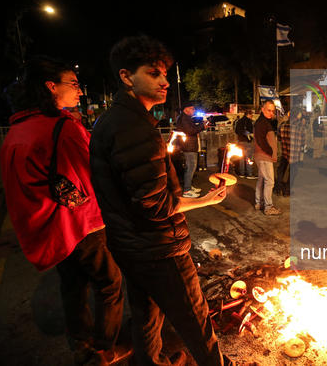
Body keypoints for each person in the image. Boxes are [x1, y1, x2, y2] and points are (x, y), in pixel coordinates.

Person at [90, 36, 241, 366]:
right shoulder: (132, 127)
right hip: (157, 247)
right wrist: (204, 200)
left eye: (165, 74)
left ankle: (150, 362)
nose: (164, 82)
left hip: (129, 244)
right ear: (127, 76)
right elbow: (155, 206)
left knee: (146, 311)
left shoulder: (114, 119)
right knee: (194, 318)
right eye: (153, 73)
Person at [0, 57, 130, 366]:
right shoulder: (62, 127)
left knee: (73, 285)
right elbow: (94, 179)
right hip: (81, 226)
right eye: (74, 84)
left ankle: (80, 339)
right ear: (51, 87)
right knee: (110, 284)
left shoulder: (17, 130)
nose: (81, 92)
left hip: (50, 232)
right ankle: (104, 349)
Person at [254, 100, 282, 215]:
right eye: (269, 110)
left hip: (263, 156)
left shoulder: (264, 122)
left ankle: (259, 202)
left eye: (273, 111)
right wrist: (270, 152)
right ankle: (268, 206)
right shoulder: (262, 123)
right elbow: (261, 141)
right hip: (264, 157)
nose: (271, 113)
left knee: (262, 180)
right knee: (269, 182)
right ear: (262, 109)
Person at [176, 101, 206, 198]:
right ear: (186, 109)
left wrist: (201, 125)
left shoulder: (186, 118)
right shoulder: (183, 118)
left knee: (191, 167)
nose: (194, 110)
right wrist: (202, 126)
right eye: (192, 108)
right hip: (188, 147)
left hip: (190, 146)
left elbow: (192, 128)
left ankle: (188, 187)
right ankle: (187, 190)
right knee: (191, 167)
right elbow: (190, 130)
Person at [274, 106, 306, 197]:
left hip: (285, 153)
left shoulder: (282, 125)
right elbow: (303, 142)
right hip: (295, 155)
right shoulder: (300, 127)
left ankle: (278, 189)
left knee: (281, 170)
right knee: (292, 173)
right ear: (297, 116)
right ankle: (287, 191)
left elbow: (279, 138)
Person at [234, 109, 257, 179]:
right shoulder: (248, 121)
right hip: (247, 141)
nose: (252, 117)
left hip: (240, 141)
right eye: (251, 115)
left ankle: (242, 173)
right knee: (248, 157)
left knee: (241, 157)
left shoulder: (239, 121)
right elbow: (251, 131)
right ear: (248, 114)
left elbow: (236, 131)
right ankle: (249, 173)